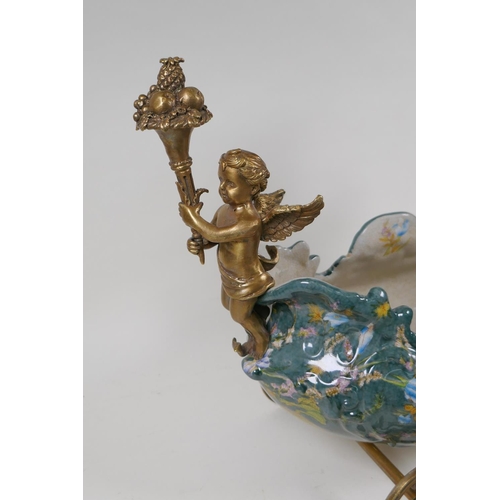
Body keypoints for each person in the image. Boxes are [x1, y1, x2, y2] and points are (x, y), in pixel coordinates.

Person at [178, 149, 275, 359]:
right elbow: (212, 238)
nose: (222, 188)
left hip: (247, 280)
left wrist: (193, 219)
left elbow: (216, 233)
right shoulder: (224, 211)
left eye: (230, 184)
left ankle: (262, 345)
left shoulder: (250, 220)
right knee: (229, 306)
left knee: (240, 316)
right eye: (221, 181)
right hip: (229, 277)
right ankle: (255, 337)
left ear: (253, 188)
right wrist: (198, 244)